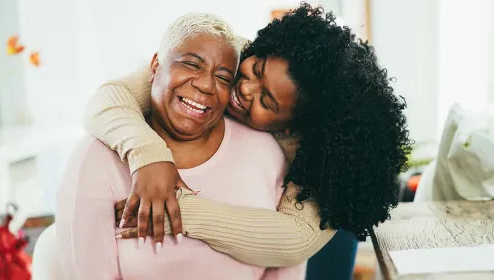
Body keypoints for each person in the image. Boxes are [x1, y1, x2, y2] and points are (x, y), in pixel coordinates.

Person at [83, 2, 411, 275]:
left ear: (290, 127)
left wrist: (181, 211)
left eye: (266, 101)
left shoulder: (315, 154)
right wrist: (150, 157)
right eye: (256, 70)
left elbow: (293, 240)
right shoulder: (230, 55)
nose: (244, 88)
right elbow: (109, 98)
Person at [55, 13, 305, 279]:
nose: (206, 84)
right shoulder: (96, 159)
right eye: (191, 64)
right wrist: (149, 156)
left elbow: (292, 251)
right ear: (155, 66)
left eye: (223, 78)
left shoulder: (268, 156)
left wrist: (187, 213)